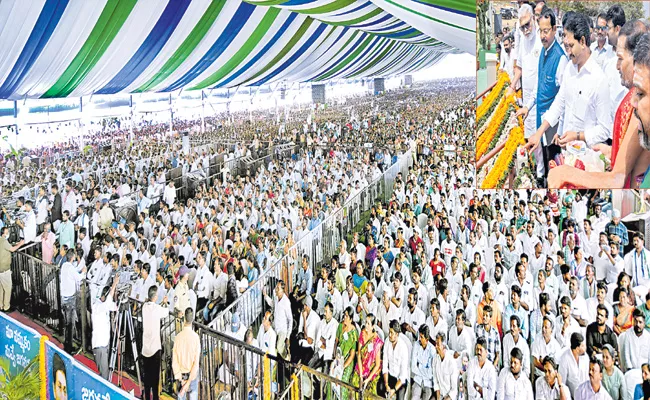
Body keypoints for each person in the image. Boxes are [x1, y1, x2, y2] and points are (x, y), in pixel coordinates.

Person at [527, 12, 612, 156]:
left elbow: (604, 130)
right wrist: (539, 132)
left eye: (571, 46)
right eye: (566, 46)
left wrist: (578, 136)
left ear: (583, 42)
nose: (568, 52)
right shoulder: (569, 69)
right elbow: (559, 104)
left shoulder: (599, 79)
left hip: (587, 159)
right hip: (567, 154)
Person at [142, 284, 170, 400]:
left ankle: (147, 397)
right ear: (155, 297)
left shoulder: (144, 307)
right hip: (154, 349)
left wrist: (160, 303)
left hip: (145, 348)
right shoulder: (157, 309)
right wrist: (165, 303)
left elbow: (155, 308)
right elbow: (166, 311)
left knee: (147, 378)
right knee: (155, 379)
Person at [91, 274, 119, 380]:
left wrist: (116, 296)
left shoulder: (104, 305)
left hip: (105, 344)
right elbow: (108, 303)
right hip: (99, 346)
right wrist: (114, 284)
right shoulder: (97, 306)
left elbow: (114, 306)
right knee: (104, 376)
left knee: (104, 373)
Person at [59, 248, 86, 353]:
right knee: (70, 325)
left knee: (67, 323)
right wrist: (83, 272)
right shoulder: (70, 268)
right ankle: (68, 347)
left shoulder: (64, 266)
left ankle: (67, 343)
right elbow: (78, 278)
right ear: (73, 257)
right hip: (69, 299)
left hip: (63, 298)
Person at [172, 307, 201, 400]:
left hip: (181, 375)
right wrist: (188, 383)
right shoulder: (196, 338)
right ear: (192, 319)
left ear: (184, 319)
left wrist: (181, 380)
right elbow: (196, 364)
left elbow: (174, 361)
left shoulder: (178, 337)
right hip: (191, 377)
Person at [351, 314, 383, 395]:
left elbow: (377, 364)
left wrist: (368, 379)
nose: (366, 325)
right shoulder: (362, 333)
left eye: (368, 323)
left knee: (369, 392)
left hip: (371, 371)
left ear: (373, 326)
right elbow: (358, 354)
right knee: (355, 384)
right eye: (366, 322)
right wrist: (361, 375)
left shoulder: (377, 341)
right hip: (361, 366)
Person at [380, 319, 408, 400]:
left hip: (400, 380)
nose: (389, 335)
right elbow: (385, 366)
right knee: (380, 388)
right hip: (390, 375)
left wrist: (394, 390)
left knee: (400, 398)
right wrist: (386, 384)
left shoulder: (403, 348)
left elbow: (403, 376)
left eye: (391, 333)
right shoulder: (387, 342)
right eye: (389, 332)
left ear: (397, 334)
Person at [336, 306, 358, 399]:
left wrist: (342, 366)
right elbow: (336, 342)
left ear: (351, 319)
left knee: (342, 382)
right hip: (338, 358)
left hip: (347, 362)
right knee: (331, 379)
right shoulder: (340, 326)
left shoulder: (353, 334)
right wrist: (335, 357)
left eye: (346, 316)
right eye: (344, 315)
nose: (344, 318)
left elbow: (352, 355)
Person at [558, 332, 589, 397]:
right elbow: (562, 382)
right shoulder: (564, 359)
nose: (585, 347)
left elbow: (588, 378)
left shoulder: (585, 357)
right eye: (583, 346)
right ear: (577, 349)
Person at [0, 227, 23, 312]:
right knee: (8, 288)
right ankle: (7, 307)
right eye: (7, 232)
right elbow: (12, 249)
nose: (8, 233)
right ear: (3, 234)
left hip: (0, 270)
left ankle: (1, 305)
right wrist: (20, 244)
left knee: (1, 289)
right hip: (4, 270)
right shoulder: (4, 241)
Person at [410, 324, 435, 400]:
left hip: (428, 383)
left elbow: (430, 374)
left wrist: (419, 366)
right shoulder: (416, 345)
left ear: (427, 339)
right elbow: (413, 367)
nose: (419, 339)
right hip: (418, 380)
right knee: (414, 398)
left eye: (421, 337)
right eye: (419, 336)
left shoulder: (432, 350)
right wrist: (424, 368)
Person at [433, 332, 458, 400]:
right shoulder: (435, 358)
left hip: (449, 398)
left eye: (438, 344)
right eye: (435, 344)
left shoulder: (451, 362)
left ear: (444, 346)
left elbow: (454, 390)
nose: (435, 347)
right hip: (439, 395)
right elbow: (436, 381)